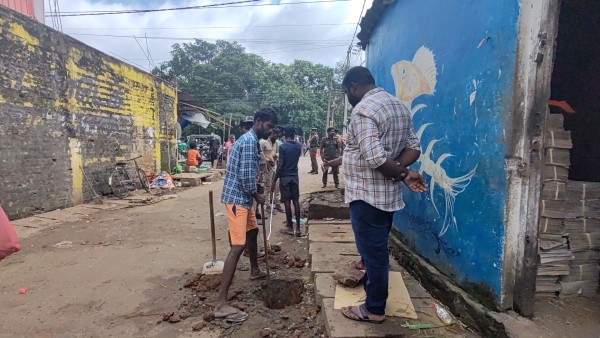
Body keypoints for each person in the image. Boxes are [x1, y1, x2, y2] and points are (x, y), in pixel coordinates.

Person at [323, 66, 427, 324]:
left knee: (376, 255)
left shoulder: (363, 111)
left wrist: (401, 175)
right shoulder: (398, 106)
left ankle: (374, 309)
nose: (349, 96)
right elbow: (414, 147)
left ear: (353, 87)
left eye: (347, 92)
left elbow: (374, 157)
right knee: (376, 246)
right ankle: (365, 265)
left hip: (367, 196)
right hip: (387, 197)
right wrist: (401, 171)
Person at [214, 108, 278, 323]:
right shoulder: (250, 141)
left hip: (243, 198)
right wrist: (257, 195)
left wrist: (256, 191)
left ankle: (255, 270)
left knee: (253, 231)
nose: (270, 131)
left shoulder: (249, 140)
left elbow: (251, 172)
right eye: (268, 126)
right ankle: (221, 304)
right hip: (237, 199)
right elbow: (246, 176)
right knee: (238, 247)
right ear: (259, 122)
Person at [272, 126, 303, 237]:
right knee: (296, 201)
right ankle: (298, 228)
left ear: (285, 134)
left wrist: (274, 179)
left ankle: (290, 226)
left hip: (285, 177)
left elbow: (280, 165)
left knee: (286, 202)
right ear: (294, 134)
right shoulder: (299, 146)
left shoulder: (283, 146)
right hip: (295, 175)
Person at [260, 128, 284, 214]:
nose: (276, 136)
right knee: (267, 186)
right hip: (267, 167)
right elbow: (260, 153)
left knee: (277, 186)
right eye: (275, 134)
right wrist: (267, 159)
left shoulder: (276, 143)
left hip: (275, 166)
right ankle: (268, 205)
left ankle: (277, 203)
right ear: (271, 133)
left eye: (278, 135)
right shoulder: (263, 142)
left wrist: (275, 156)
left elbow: (278, 153)